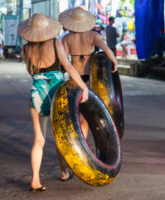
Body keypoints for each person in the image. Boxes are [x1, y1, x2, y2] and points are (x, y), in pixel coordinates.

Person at [18, 13, 89, 192]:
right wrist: (83, 87)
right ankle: (65, 171)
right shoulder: (56, 42)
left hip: (37, 93)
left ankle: (35, 179)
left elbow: (31, 71)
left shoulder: (26, 49)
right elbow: (69, 67)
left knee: (39, 139)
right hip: (56, 93)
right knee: (60, 136)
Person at [58, 7, 118, 180]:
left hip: (72, 82)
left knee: (70, 121)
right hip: (88, 84)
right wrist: (114, 62)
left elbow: (63, 62)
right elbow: (107, 50)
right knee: (83, 122)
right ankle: (79, 152)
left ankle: (65, 168)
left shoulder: (67, 38)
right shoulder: (93, 36)